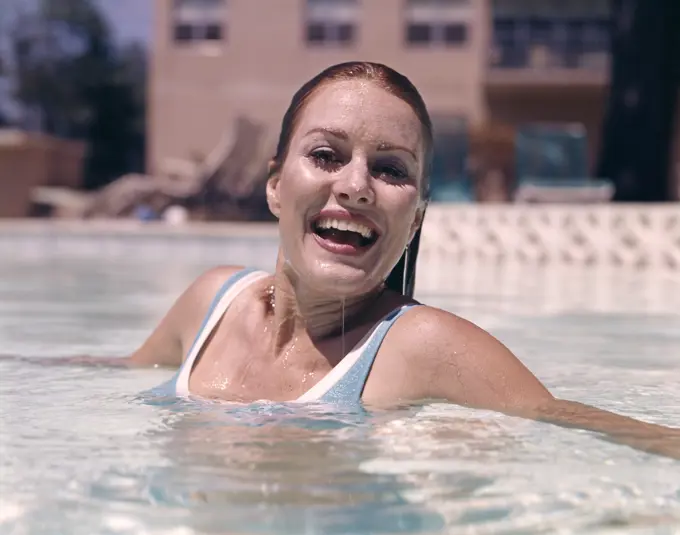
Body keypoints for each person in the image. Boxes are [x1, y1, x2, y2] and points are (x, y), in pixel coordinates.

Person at [16, 62, 680, 458]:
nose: (356, 185)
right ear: (276, 184)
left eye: (389, 169)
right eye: (327, 155)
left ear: (416, 214)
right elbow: (111, 376)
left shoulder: (418, 345)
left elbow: (579, 427)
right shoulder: (209, 301)